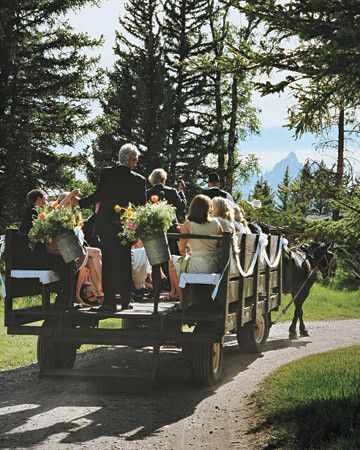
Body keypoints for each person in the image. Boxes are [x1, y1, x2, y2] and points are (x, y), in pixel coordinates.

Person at [76, 143, 146, 312]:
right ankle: (125, 300)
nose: (135, 164)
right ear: (130, 160)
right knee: (124, 262)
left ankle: (108, 303)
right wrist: (137, 229)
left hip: (107, 226)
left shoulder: (108, 174)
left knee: (108, 263)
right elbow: (141, 207)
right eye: (135, 160)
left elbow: (98, 195)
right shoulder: (139, 180)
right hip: (126, 227)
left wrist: (80, 202)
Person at [168, 195, 223, 308]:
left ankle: (182, 300)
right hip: (213, 265)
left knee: (172, 262)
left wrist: (187, 255)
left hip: (197, 265)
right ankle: (189, 298)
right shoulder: (216, 223)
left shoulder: (188, 224)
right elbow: (220, 244)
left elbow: (181, 249)